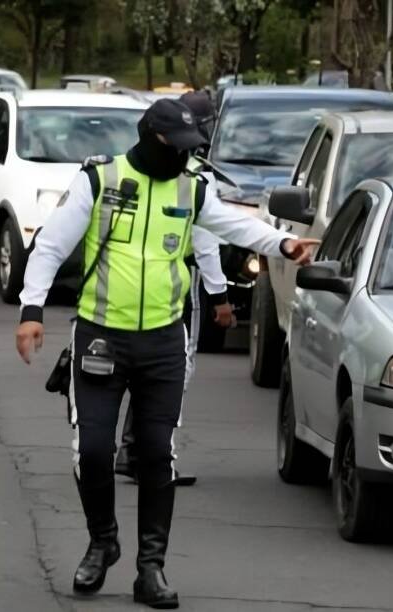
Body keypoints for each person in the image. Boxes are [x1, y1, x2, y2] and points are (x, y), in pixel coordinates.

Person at [15, 98, 318, 609]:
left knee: (158, 455)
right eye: (177, 147)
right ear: (152, 139)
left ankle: (150, 568)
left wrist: (282, 245)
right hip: (101, 336)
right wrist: (31, 310)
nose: (185, 155)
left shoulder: (190, 188)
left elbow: (234, 225)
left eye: (190, 148)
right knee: (93, 451)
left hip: (162, 342)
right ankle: (102, 542)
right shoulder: (100, 181)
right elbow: (50, 247)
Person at [114, 90, 229, 487]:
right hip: (181, 280)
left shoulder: (155, 167)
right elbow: (206, 242)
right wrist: (220, 295)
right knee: (176, 369)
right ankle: (157, 456)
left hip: (143, 281)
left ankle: (134, 450)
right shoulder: (196, 177)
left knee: (147, 370)